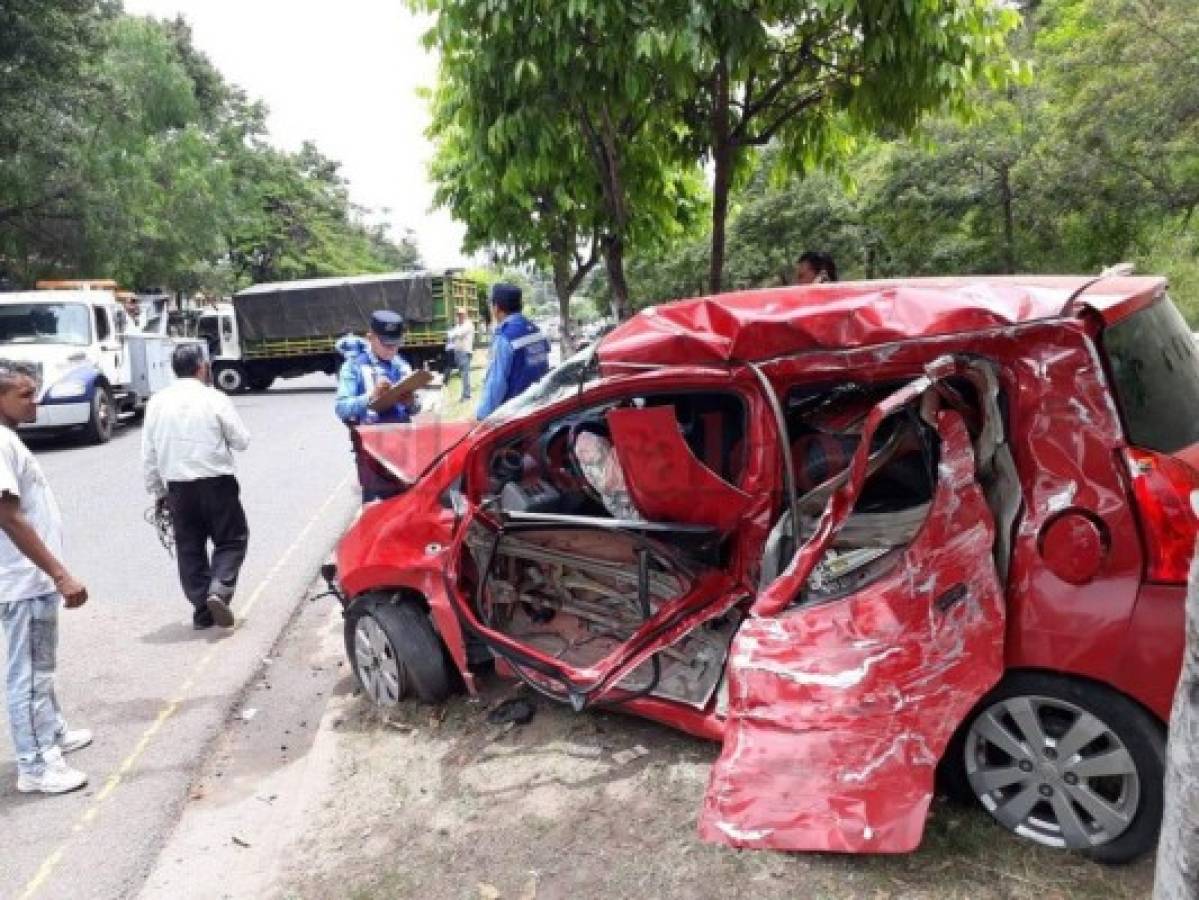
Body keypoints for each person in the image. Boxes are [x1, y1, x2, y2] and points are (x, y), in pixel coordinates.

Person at [0, 359, 92, 794]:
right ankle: (36, 765)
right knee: (31, 673)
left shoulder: (8, 439)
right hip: (23, 579)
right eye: (24, 395)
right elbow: (9, 516)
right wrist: (58, 573)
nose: (34, 401)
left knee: (41, 665)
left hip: (28, 578)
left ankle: (51, 733)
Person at [142, 344, 250, 630]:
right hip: (217, 482)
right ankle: (219, 591)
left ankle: (203, 610)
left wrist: (158, 491)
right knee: (231, 539)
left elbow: (149, 454)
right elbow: (241, 440)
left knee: (190, 548)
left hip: (178, 487)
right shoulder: (214, 398)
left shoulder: (157, 402)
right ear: (202, 367)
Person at [334, 310, 420, 502]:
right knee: (377, 512)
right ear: (370, 338)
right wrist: (371, 397)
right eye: (386, 344)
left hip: (402, 446)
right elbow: (341, 407)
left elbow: (416, 409)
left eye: (396, 344)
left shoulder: (402, 365)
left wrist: (411, 402)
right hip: (371, 454)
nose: (391, 350)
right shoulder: (354, 367)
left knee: (406, 504)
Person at [476, 284, 550, 420]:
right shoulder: (536, 330)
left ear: (496, 307)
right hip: (539, 408)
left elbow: (495, 385)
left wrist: (481, 418)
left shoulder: (505, 338)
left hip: (514, 417)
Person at [444, 308, 476, 401]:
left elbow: (457, 334)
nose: (459, 316)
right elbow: (451, 336)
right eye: (458, 314)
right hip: (458, 352)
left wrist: (452, 333)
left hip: (465, 352)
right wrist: (452, 334)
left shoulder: (468, 325)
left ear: (466, 315)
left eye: (461, 314)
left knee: (464, 374)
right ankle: (465, 394)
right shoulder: (459, 325)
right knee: (462, 374)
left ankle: (466, 396)